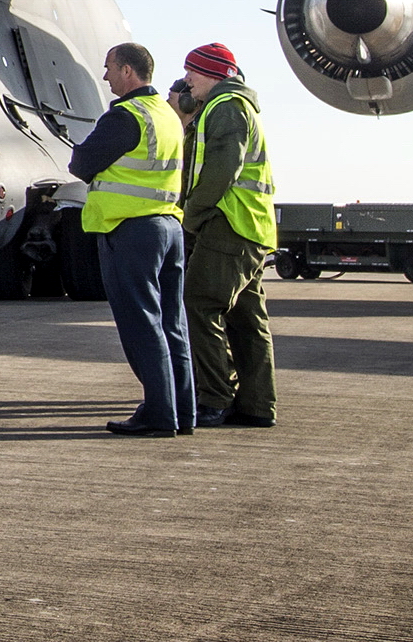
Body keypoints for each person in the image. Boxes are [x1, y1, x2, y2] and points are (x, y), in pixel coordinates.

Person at [67, 44, 195, 436]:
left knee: (141, 324)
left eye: (107, 69)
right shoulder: (167, 115)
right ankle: (182, 411)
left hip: (131, 229)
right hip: (169, 227)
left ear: (126, 71)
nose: (105, 77)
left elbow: (81, 164)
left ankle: (158, 413)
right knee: (173, 324)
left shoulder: (124, 116)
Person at [177, 42, 278, 429]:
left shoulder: (226, 108)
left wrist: (193, 216)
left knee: (199, 303)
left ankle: (215, 398)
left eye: (192, 72)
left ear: (214, 75)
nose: (187, 80)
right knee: (246, 320)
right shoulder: (231, 108)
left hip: (229, 223)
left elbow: (221, 171)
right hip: (251, 226)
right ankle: (255, 405)